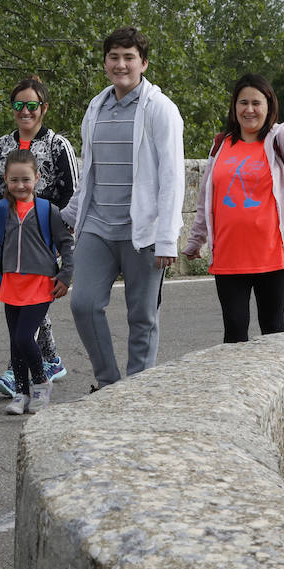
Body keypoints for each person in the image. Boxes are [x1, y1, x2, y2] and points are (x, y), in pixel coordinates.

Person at [62, 26, 184, 391]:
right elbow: (90, 170)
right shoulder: (96, 107)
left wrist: (167, 239)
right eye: (114, 57)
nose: (121, 64)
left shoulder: (160, 109)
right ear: (105, 63)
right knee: (83, 304)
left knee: (142, 317)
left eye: (129, 57)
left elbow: (172, 177)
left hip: (142, 231)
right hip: (97, 226)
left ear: (143, 63)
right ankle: (108, 384)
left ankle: (138, 390)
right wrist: (70, 215)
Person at [0, 75, 78, 397]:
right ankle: (50, 358)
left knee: (33, 298)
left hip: (46, 232)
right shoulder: (0, 146)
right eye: (18, 105)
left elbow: (73, 192)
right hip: (13, 232)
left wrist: (62, 234)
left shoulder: (57, 145)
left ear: (44, 108)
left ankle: (19, 372)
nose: (25, 111)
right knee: (26, 297)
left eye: (31, 105)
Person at [182, 73, 284, 343]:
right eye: (243, 102)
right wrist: (196, 240)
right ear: (234, 106)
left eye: (256, 103)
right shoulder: (221, 144)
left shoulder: (277, 140)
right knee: (234, 332)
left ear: (268, 106)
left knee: (272, 329)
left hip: (272, 251)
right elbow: (207, 197)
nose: (249, 109)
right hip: (229, 253)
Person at [0, 149, 75, 414]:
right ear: (5, 179)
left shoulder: (47, 210)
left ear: (36, 178)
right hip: (11, 284)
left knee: (24, 337)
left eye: (26, 179)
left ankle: (41, 383)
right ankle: (21, 393)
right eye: (14, 180)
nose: (20, 185)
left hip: (40, 285)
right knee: (15, 342)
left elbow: (66, 243)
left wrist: (65, 275)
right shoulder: (2, 209)